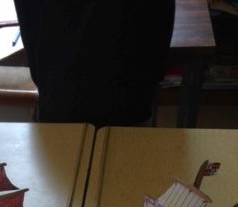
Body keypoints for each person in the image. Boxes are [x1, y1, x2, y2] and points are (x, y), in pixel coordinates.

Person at [13, 0, 175, 127]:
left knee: (62, 156)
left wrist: (46, 79)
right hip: (128, 90)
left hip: (61, 89)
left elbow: (29, 21)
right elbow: (161, 21)